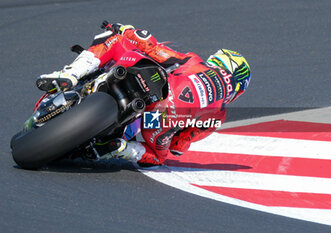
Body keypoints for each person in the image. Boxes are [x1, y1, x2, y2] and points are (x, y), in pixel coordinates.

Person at [37, 22, 251, 167]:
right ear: (238, 88)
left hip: (160, 87)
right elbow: (179, 146)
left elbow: (152, 47)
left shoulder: (195, 62)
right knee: (159, 157)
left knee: (114, 39)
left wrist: (126, 30)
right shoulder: (218, 115)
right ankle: (121, 148)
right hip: (160, 120)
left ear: (218, 61)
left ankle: (69, 75)